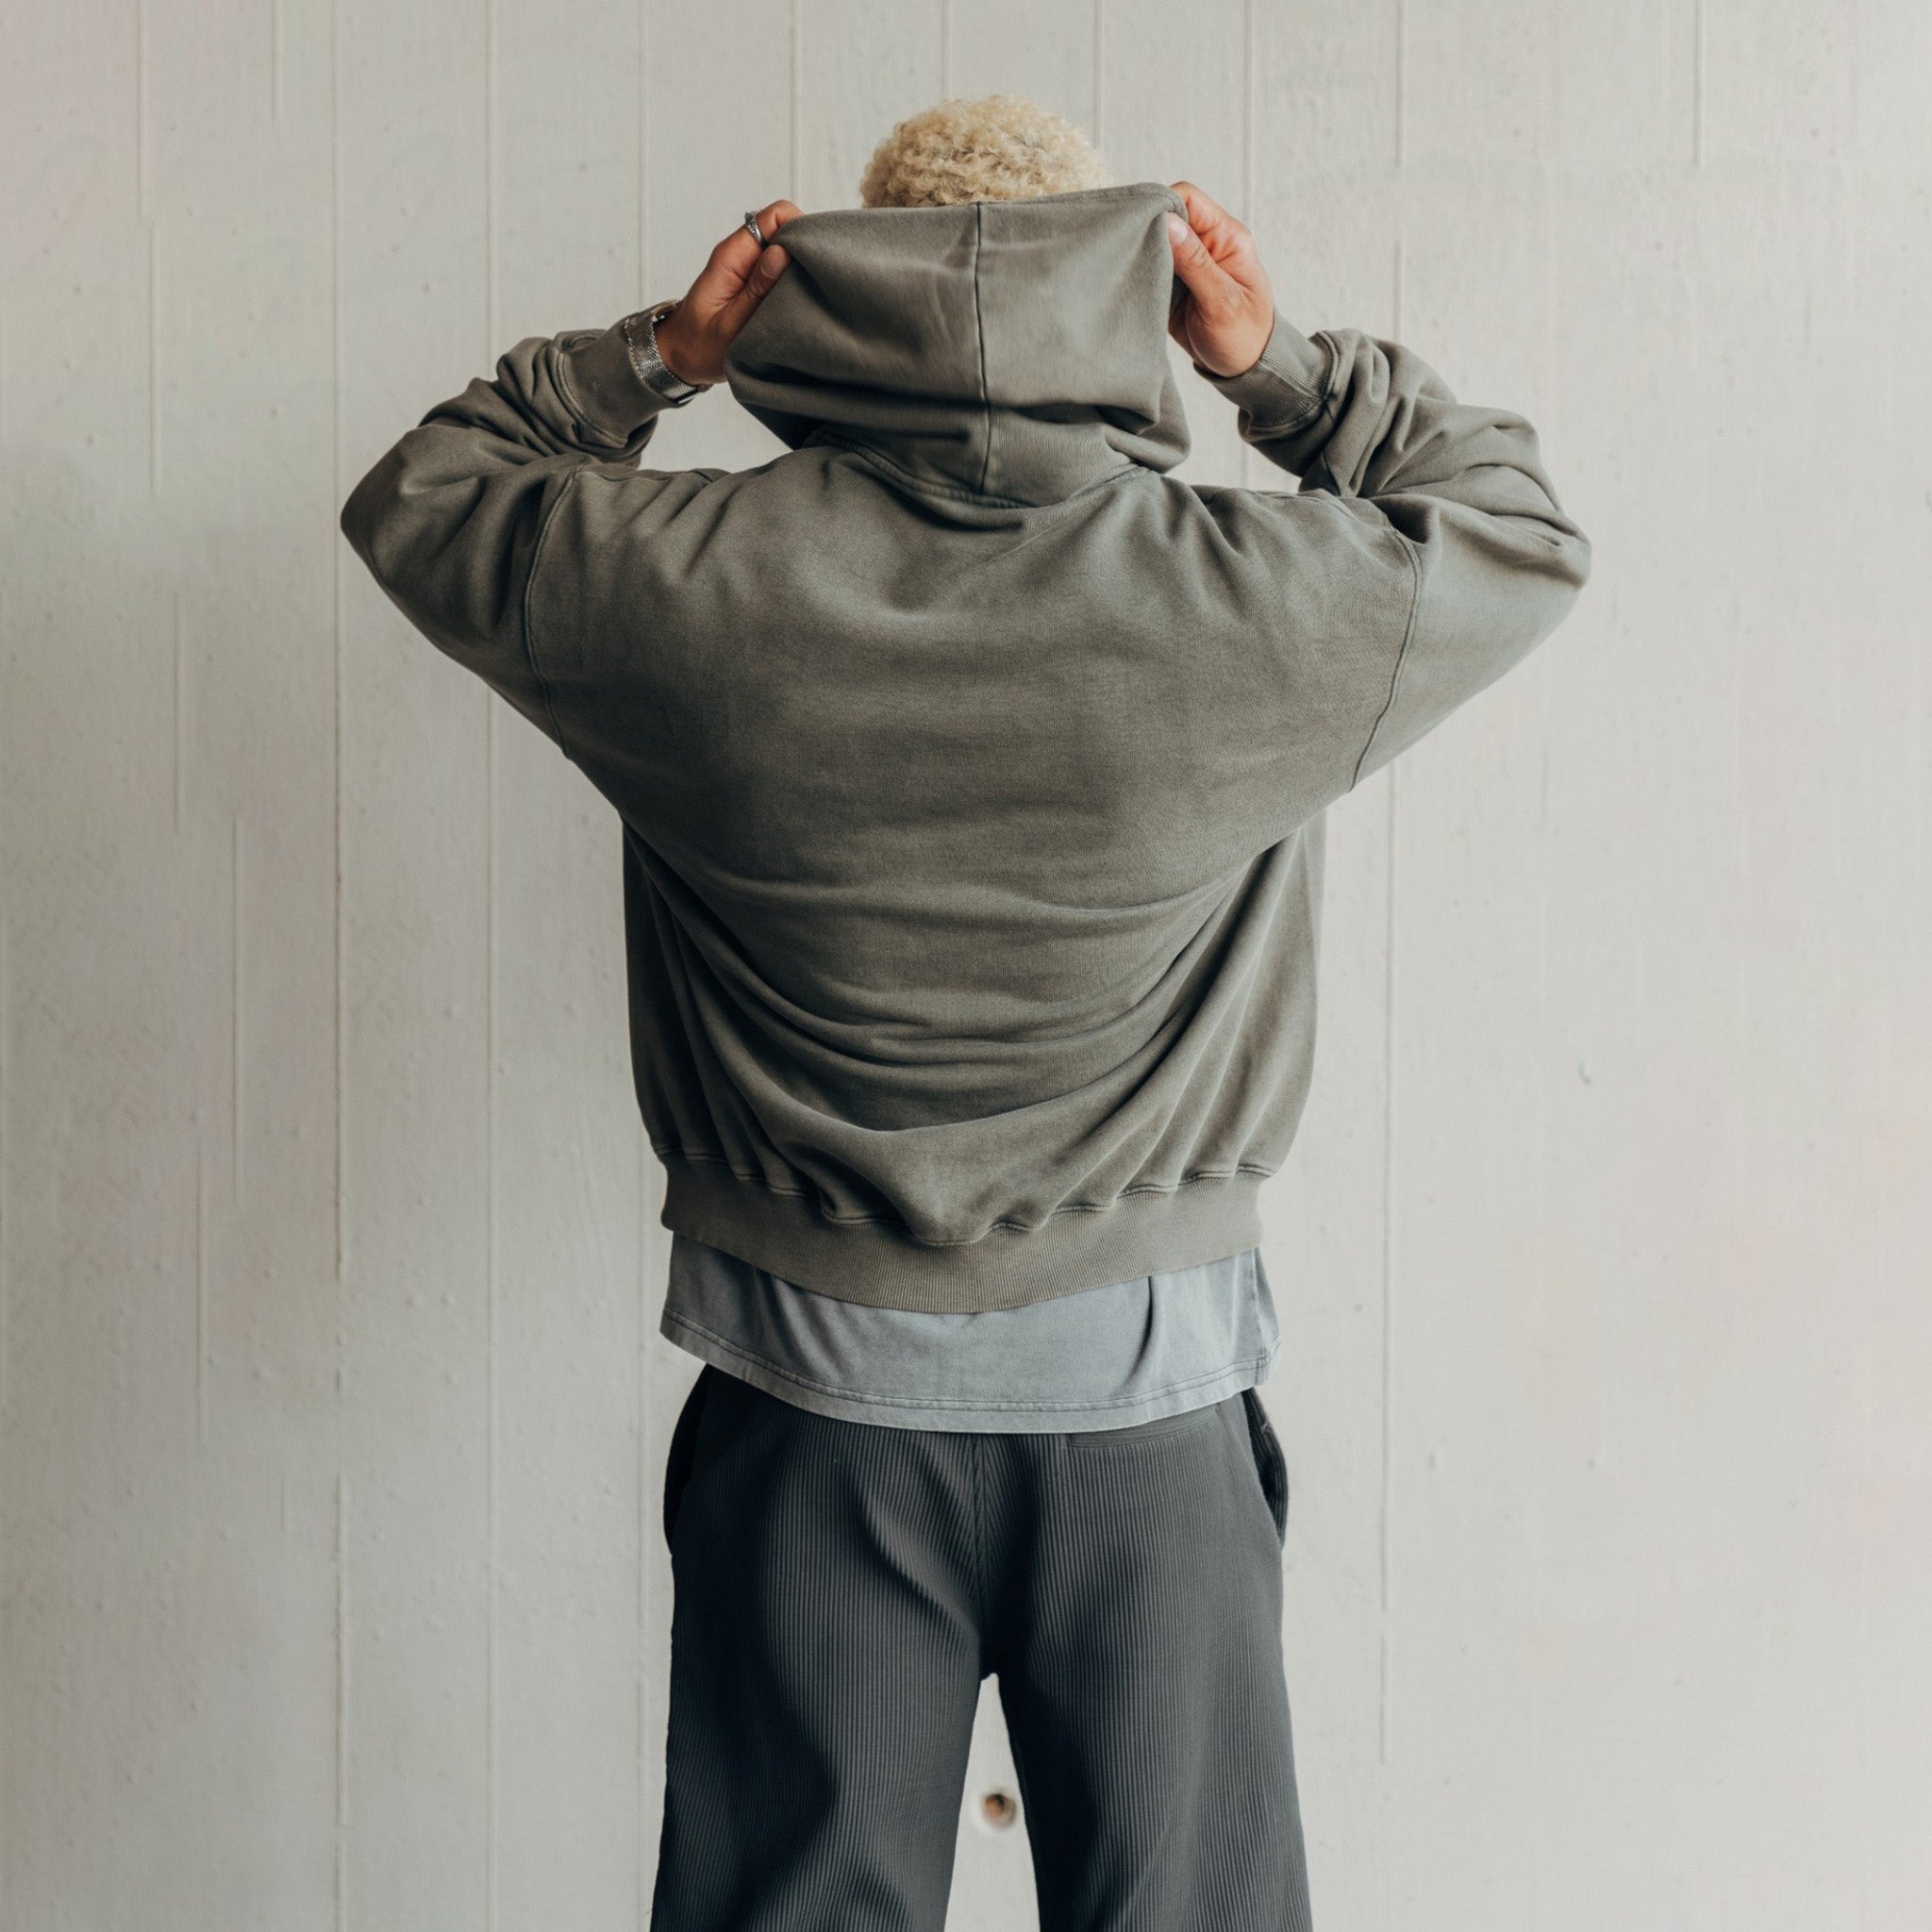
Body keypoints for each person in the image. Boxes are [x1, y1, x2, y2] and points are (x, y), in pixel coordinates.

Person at [340, 90, 1589, 1932]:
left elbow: (424, 497)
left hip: (810, 1402)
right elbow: (1516, 530)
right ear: (1125, 287)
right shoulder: (1258, 599)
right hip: (1150, 1409)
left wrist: (660, 355)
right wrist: (1279, 369)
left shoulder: (675, 583)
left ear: (845, 291)